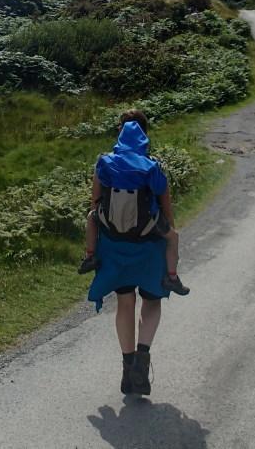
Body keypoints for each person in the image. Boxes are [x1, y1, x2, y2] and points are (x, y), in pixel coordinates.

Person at [80, 109, 190, 395]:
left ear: (120, 132)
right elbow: (166, 209)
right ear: (145, 134)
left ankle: (127, 368)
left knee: (125, 303)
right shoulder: (152, 167)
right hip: (149, 245)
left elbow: (94, 204)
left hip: (115, 246)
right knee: (152, 301)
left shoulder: (104, 163)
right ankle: (142, 357)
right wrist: (168, 239)